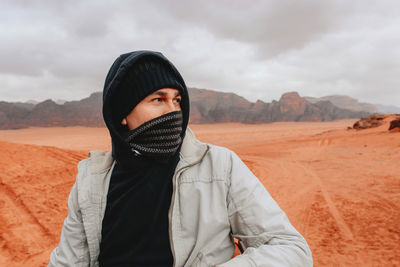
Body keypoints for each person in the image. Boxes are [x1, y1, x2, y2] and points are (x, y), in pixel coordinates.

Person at [48, 50, 313, 267]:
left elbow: (290, 249)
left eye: (177, 100)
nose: (173, 111)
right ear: (123, 114)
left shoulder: (219, 166)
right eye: (158, 100)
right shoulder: (92, 182)